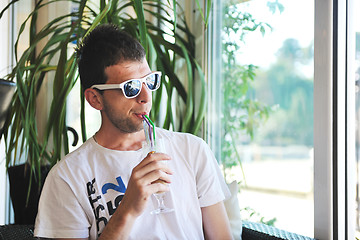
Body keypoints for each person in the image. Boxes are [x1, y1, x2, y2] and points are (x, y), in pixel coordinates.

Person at [34, 23, 232, 240]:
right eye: (131, 87)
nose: (146, 96)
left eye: (149, 81)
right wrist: (127, 211)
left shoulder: (193, 151)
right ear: (95, 98)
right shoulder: (67, 178)